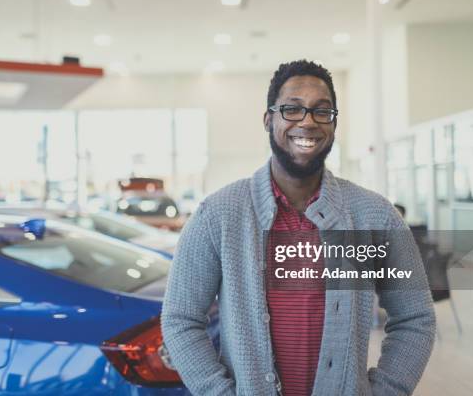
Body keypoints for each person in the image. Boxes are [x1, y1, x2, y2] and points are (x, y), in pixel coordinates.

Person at [162, 60, 435, 396]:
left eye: (322, 111)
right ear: (268, 119)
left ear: (334, 124)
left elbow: (416, 318)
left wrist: (387, 390)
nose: (307, 121)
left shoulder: (375, 216)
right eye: (292, 109)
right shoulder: (217, 216)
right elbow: (180, 320)